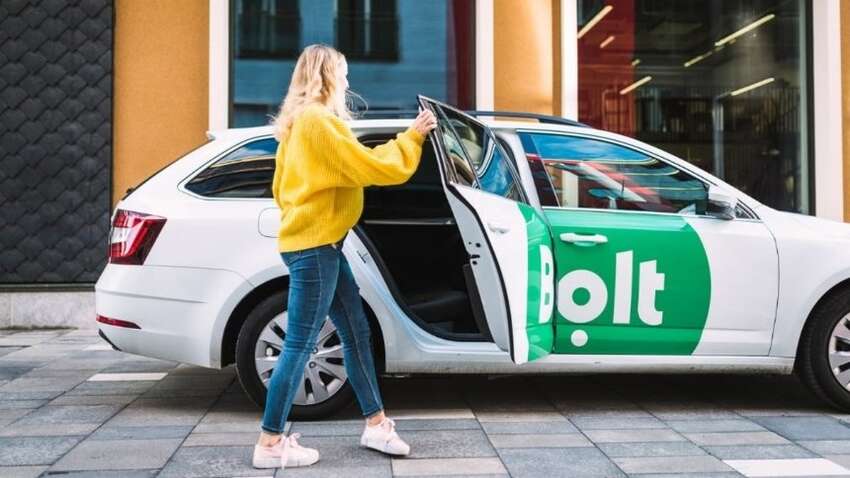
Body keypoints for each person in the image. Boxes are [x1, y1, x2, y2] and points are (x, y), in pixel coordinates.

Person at [252, 44, 437, 470]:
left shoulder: (298, 123)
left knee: (355, 332)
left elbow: (281, 189)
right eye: (345, 73)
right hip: (316, 248)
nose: (349, 81)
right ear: (328, 76)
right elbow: (370, 167)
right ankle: (270, 442)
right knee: (300, 345)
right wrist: (412, 137)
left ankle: (376, 424)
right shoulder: (318, 122)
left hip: (321, 245)